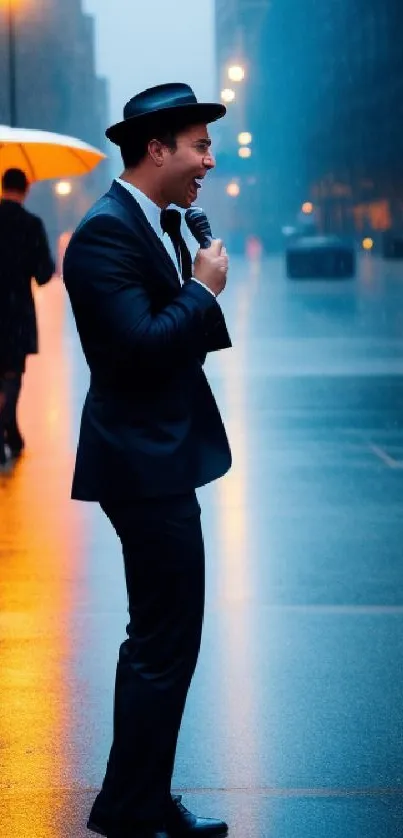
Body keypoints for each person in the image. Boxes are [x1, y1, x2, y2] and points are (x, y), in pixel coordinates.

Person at [63, 83, 232, 838]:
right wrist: (200, 291)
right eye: (197, 144)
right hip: (141, 465)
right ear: (155, 147)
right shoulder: (105, 233)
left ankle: (140, 799)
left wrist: (192, 291)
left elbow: (162, 338)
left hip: (157, 460)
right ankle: (131, 806)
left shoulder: (149, 222)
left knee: (167, 640)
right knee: (161, 643)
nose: (208, 159)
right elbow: (134, 350)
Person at [0, 167, 55, 464]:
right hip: (16, 313)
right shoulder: (31, 225)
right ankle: (7, 426)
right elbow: (44, 274)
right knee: (11, 373)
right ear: (26, 189)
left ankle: (8, 429)